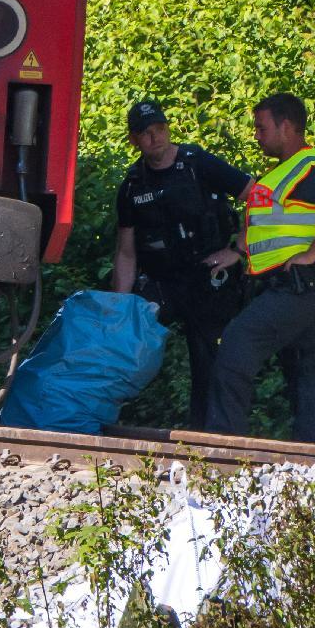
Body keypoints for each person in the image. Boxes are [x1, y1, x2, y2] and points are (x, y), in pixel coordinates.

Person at [201, 93, 315, 442]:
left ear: (287, 126)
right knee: (303, 365)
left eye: (262, 128)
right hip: (290, 283)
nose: (257, 135)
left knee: (237, 341)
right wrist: (239, 252)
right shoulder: (283, 174)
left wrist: (312, 254)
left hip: (299, 282)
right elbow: (272, 229)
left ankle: (223, 443)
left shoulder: (310, 166)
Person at [108, 99, 249, 420]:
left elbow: (256, 195)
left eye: (159, 129)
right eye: (145, 133)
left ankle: (211, 437)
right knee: (127, 339)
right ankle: (106, 412)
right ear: (134, 140)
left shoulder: (198, 163)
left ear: (168, 129)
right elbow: (126, 252)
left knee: (209, 362)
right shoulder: (132, 186)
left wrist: (238, 249)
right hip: (163, 282)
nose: (155, 137)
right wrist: (119, 307)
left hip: (208, 279)